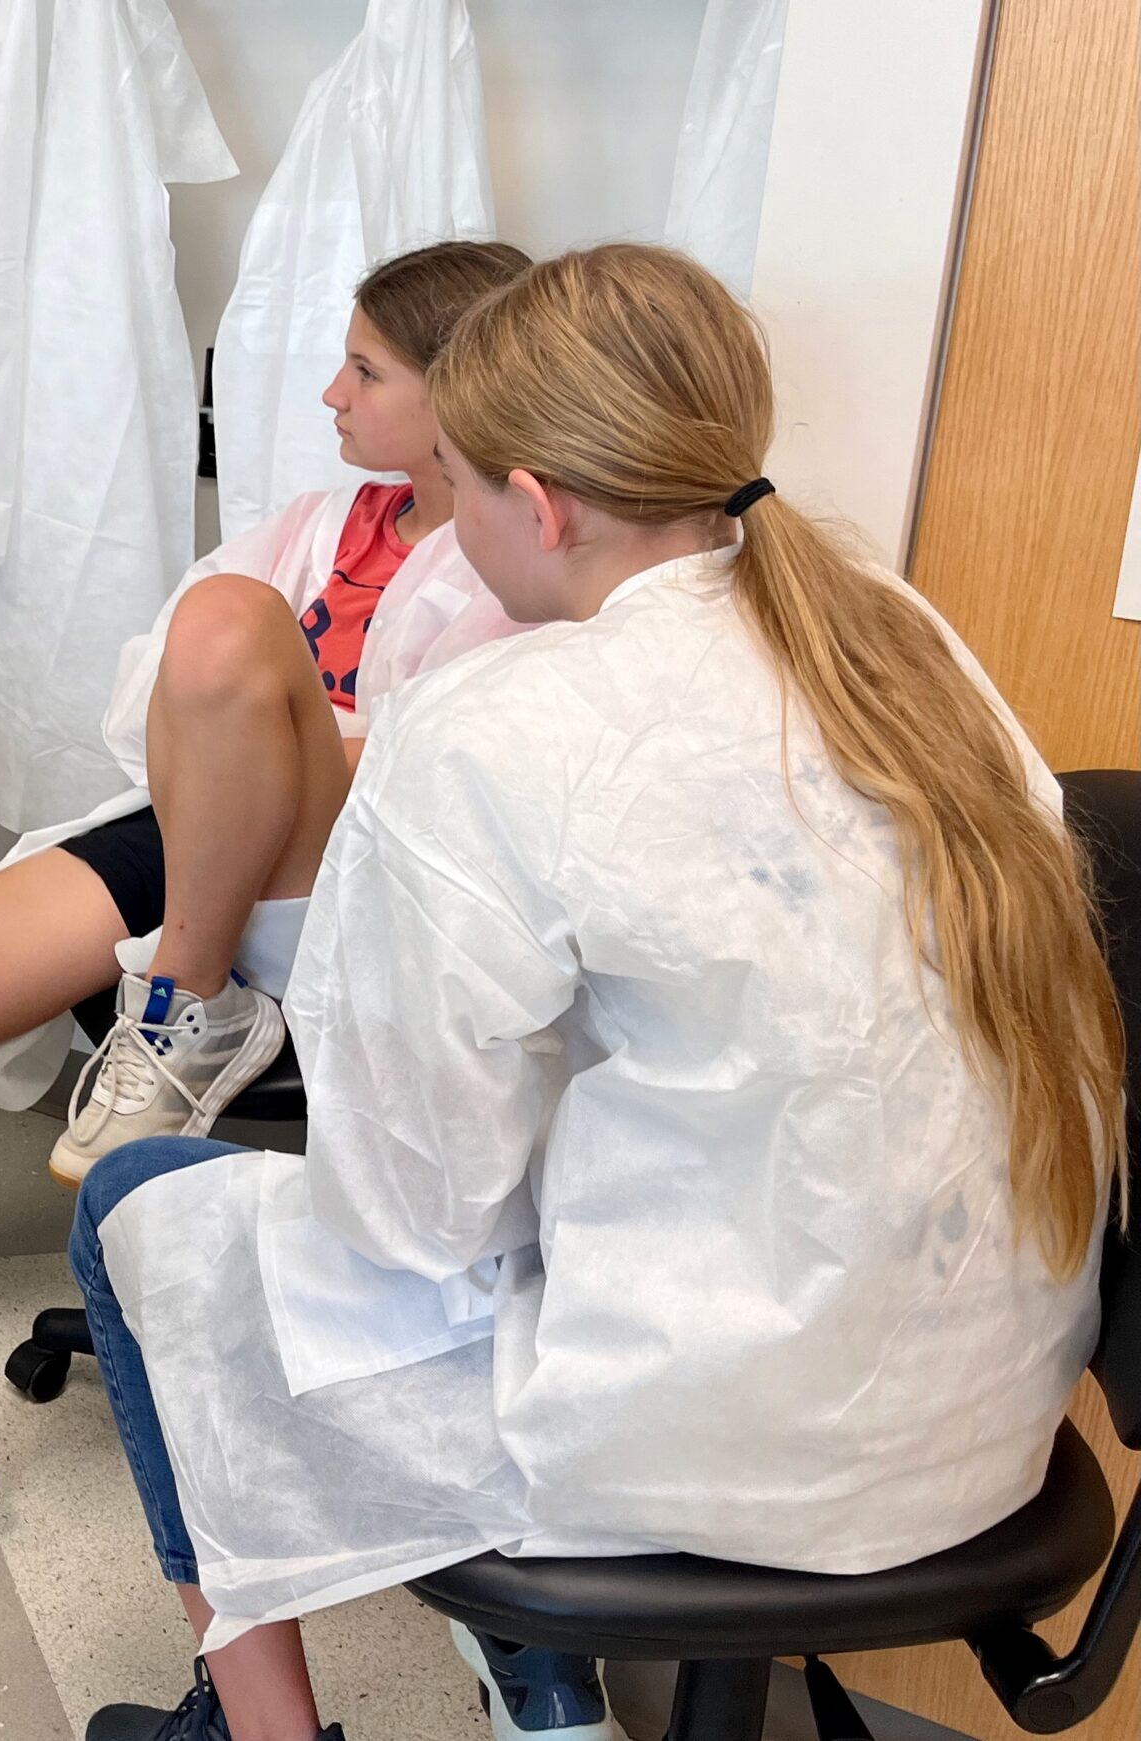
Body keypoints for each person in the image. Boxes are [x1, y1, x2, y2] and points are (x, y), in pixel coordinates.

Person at [73, 243, 1125, 1741]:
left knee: (137, 1207)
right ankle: (537, 1691)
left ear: (539, 502)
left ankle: (270, 1732)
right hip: (990, 1437)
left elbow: (408, 1214)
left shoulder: (500, 718)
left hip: (702, 1444)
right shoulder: (909, 644)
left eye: (448, 474)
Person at [0, 241, 530, 1528]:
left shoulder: (518, 560)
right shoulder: (320, 525)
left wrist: (270, 726)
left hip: (354, 889)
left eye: (364, 369)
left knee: (228, 628)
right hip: (186, 832)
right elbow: (148, 694)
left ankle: (185, 999)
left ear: (457, 390)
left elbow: (442, 775)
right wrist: (269, 728)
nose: (330, 393)